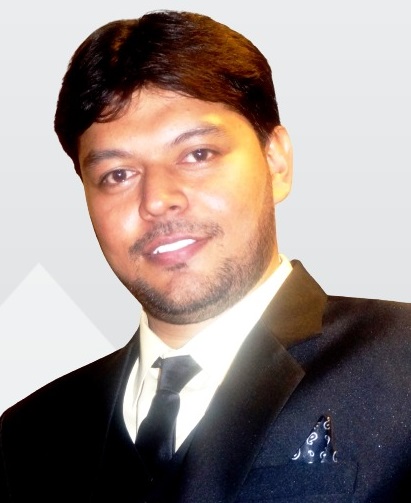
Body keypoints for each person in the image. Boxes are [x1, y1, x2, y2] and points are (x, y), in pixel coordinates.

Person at [1, 9, 410, 502]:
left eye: (198, 154)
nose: (157, 199)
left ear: (276, 162)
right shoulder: (27, 437)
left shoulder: (400, 363)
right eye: (117, 175)